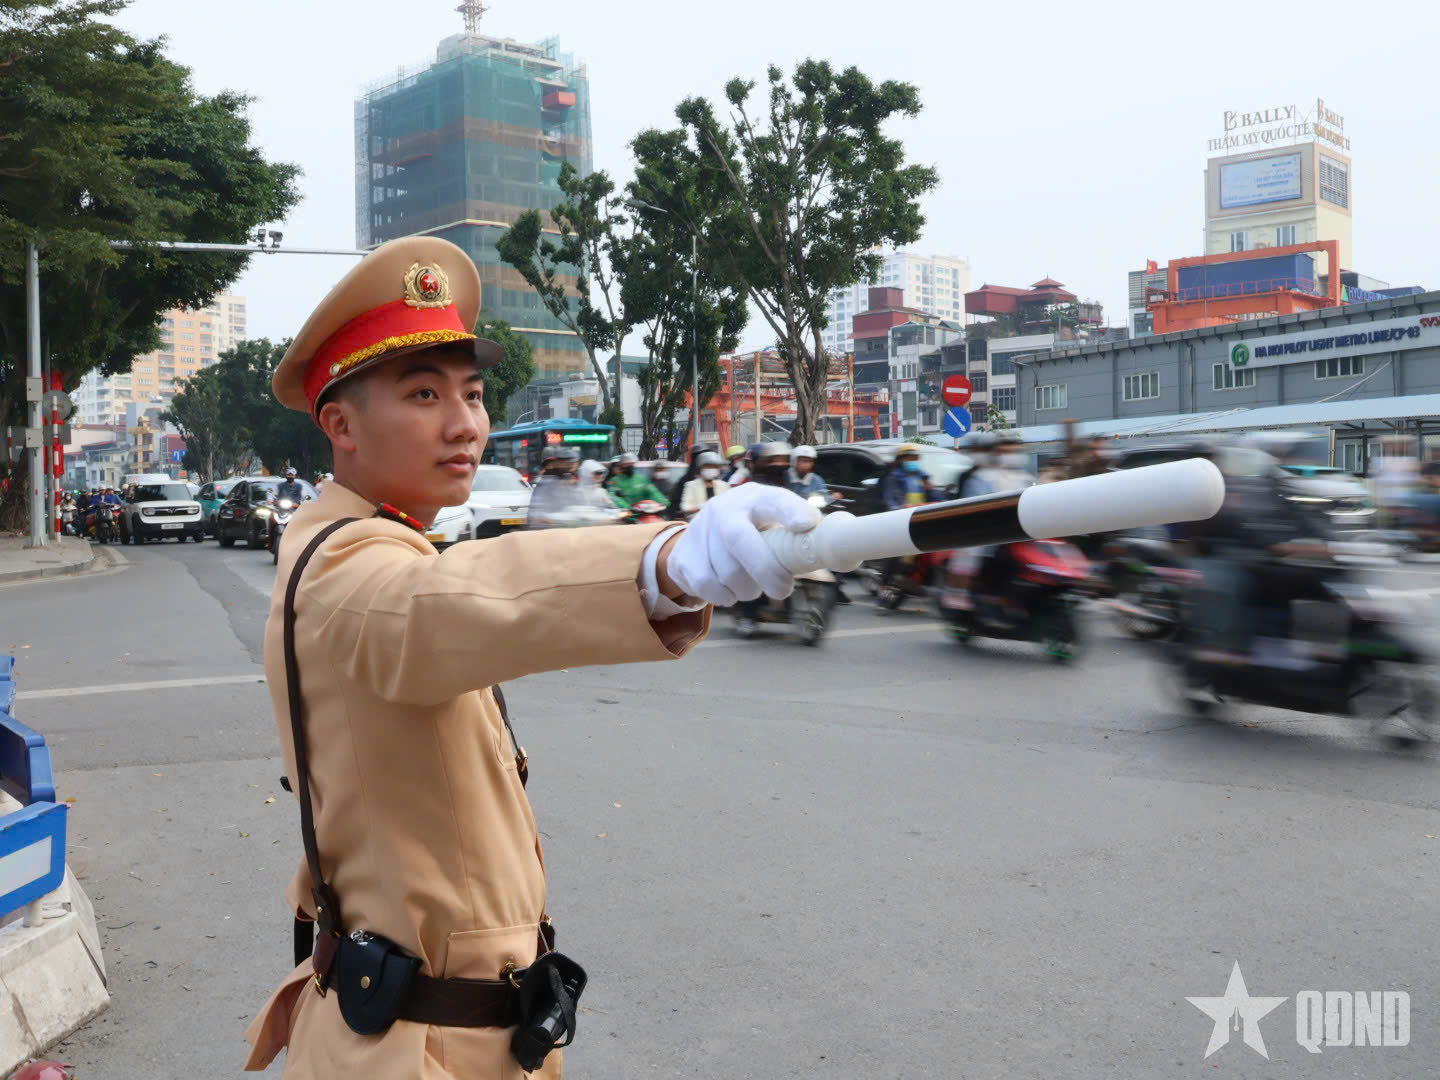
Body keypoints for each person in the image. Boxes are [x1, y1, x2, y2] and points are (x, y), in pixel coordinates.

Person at [241, 236, 819, 1078]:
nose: (465, 423)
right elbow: (441, 605)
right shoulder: (346, 566)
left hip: (445, 1029)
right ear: (340, 425)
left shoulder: (356, 539)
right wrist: (661, 562)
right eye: (424, 394)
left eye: (473, 394)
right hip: (422, 1051)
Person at [733, 443, 796, 637]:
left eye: (781, 460)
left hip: (783, 528)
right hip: (755, 529)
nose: (777, 464)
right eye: (771, 460)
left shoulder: (787, 479)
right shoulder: (743, 481)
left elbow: (796, 500)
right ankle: (747, 616)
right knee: (752, 570)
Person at [525, 446, 582, 529]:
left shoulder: (575, 484)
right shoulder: (546, 483)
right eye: (566, 463)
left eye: (573, 463)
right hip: (549, 530)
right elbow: (535, 513)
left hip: (571, 529)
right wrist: (547, 519)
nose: (570, 466)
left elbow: (581, 506)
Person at [679, 451, 730, 519]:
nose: (711, 469)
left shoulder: (724, 485)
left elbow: (729, 505)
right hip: (698, 520)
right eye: (707, 466)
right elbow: (685, 507)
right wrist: (702, 507)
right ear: (701, 468)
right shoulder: (691, 485)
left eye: (714, 467)